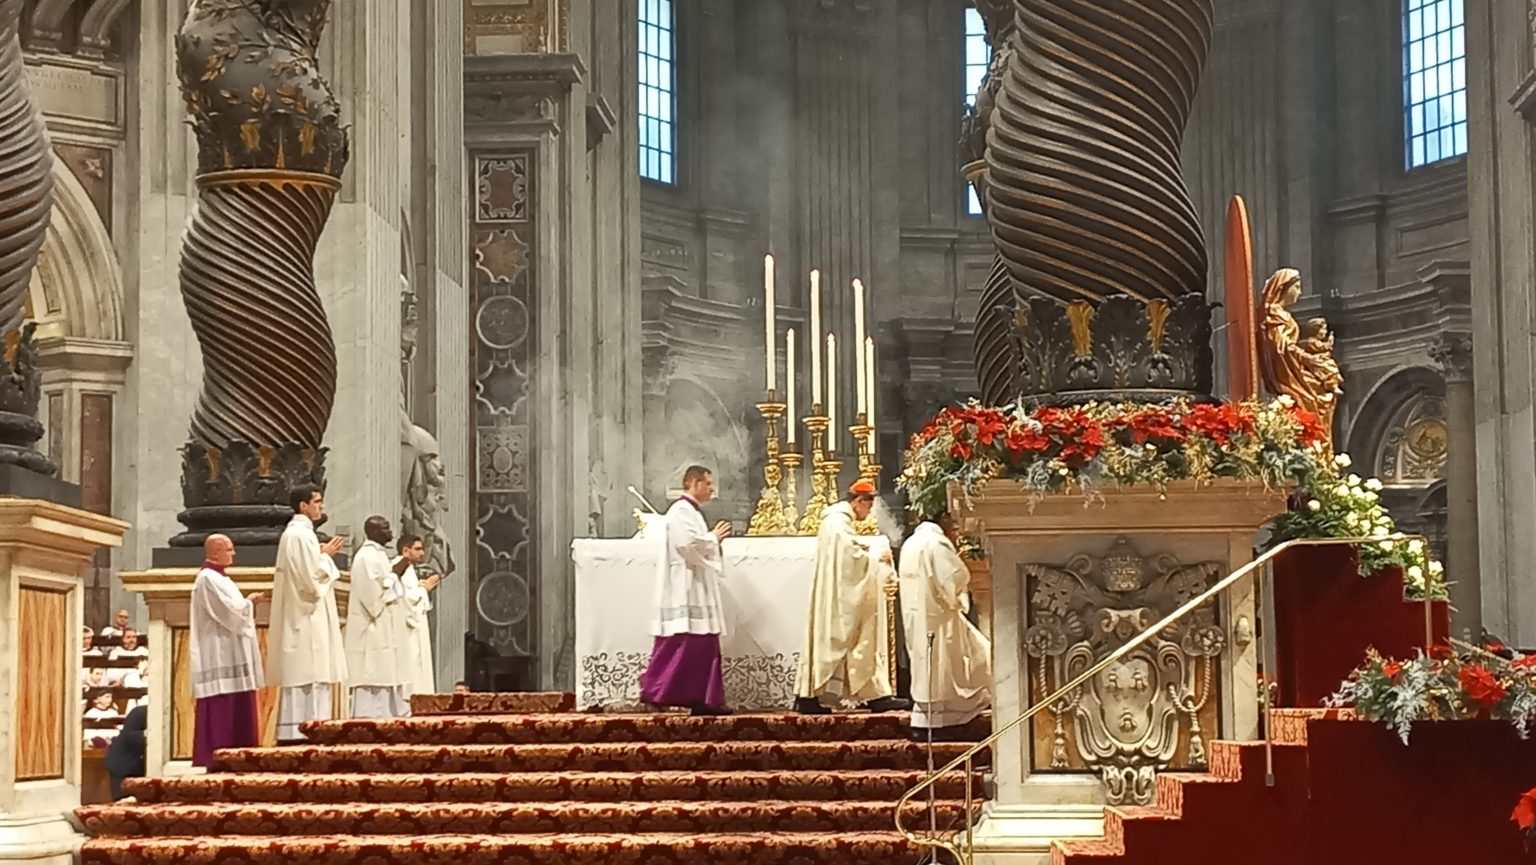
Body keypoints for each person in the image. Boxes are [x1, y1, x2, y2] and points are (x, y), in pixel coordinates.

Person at [794, 480, 910, 715]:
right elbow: (850, 559)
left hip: (838, 591)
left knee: (857, 638)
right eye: (869, 506)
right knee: (854, 637)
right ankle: (811, 698)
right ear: (858, 501)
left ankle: (875, 695)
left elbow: (847, 552)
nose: (869, 512)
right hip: (840, 596)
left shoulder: (838, 521)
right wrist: (877, 558)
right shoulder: (838, 522)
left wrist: (863, 550)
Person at [639, 465, 733, 716]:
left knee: (702, 644)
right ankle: (655, 693)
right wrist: (713, 538)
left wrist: (711, 540)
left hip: (695, 585)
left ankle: (703, 699)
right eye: (708, 483)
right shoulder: (681, 510)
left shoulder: (691, 511)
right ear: (694, 483)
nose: (712, 489)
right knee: (679, 642)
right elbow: (686, 544)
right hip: (685, 586)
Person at [898, 515, 992, 737]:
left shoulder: (910, 543)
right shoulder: (936, 543)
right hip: (939, 618)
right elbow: (953, 576)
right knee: (951, 663)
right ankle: (946, 720)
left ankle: (925, 719)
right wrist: (958, 596)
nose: (955, 529)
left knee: (926, 665)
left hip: (916, 617)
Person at [267, 484, 347, 742]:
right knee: (309, 676)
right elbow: (310, 584)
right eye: (317, 501)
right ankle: (306, 733)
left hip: (305, 617)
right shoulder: (300, 536)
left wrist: (320, 553)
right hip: (306, 619)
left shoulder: (300, 535)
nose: (321, 506)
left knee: (310, 676)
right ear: (303, 506)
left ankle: (305, 731)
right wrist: (327, 558)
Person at [190, 534, 265, 766]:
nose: (234, 554)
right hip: (218, 651)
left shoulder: (222, 578)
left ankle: (241, 758)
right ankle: (218, 759)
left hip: (231, 649)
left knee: (239, 702)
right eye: (229, 549)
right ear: (215, 552)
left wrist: (247, 604)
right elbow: (228, 612)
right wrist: (250, 602)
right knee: (222, 704)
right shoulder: (207, 578)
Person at [345, 515, 410, 718]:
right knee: (373, 681)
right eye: (385, 528)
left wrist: (393, 576)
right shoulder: (365, 558)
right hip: (371, 634)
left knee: (386, 681)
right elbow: (373, 600)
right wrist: (395, 574)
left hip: (384, 631)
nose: (390, 531)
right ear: (373, 532)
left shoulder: (379, 555)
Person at [394, 534, 439, 696]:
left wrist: (420, 587)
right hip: (406, 632)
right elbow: (403, 599)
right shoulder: (399, 567)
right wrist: (423, 590)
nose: (422, 553)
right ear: (406, 550)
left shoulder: (409, 569)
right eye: (418, 549)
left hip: (414, 628)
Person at [105, 705, 148, 799]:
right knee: (123, 801)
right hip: (123, 766)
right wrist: (149, 733)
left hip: (139, 767)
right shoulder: (140, 712)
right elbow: (130, 737)